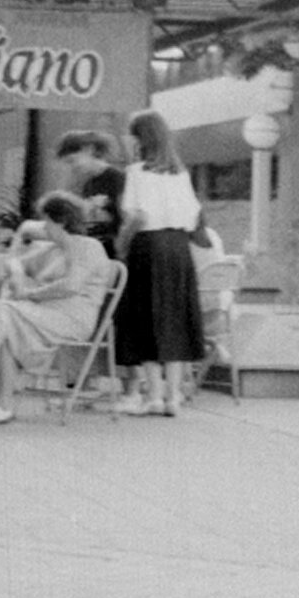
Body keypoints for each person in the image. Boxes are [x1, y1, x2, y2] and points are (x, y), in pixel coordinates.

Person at [0, 191, 112, 425]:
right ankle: (0, 402)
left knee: (1, 312)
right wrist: (16, 268)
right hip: (44, 314)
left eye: (46, 221)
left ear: (61, 221)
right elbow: (13, 262)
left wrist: (30, 293)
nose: (43, 228)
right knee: (2, 323)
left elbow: (71, 286)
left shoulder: (88, 246)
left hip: (72, 318)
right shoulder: (53, 250)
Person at [112, 109, 204, 417]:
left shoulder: (137, 172)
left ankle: (153, 395)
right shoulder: (181, 173)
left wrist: (122, 243)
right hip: (178, 247)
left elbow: (135, 215)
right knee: (175, 317)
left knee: (145, 318)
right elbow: (193, 217)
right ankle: (173, 396)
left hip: (147, 246)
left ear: (141, 138)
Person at [54, 130, 124, 258]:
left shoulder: (117, 179)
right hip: (94, 251)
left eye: (72, 160)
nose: (72, 167)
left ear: (88, 150)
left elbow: (124, 219)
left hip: (112, 252)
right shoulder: (88, 184)